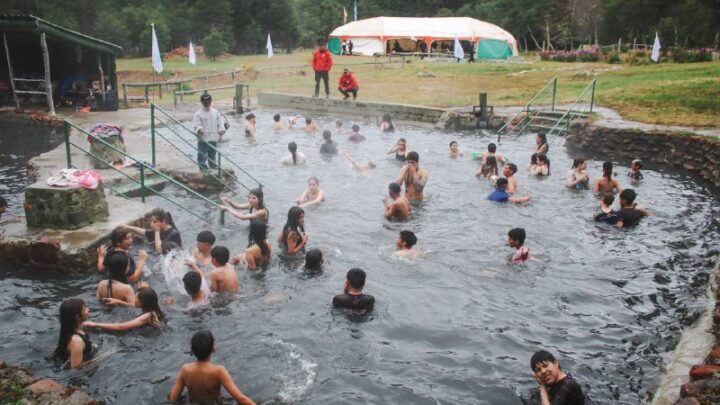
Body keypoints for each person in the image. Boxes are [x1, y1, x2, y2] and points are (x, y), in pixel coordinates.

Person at [169, 330, 256, 404]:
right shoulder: (218, 371)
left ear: (192, 349)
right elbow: (241, 399)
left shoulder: (185, 370)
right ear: (213, 349)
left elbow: (173, 398)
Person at [85, 287, 165, 331]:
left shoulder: (147, 316)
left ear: (141, 303)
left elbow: (121, 327)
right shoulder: (153, 308)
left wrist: (96, 324)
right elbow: (134, 306)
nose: (134, 298)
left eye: (136, 297)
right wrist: (119, 301)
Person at [54, 298, 92, 368]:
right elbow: (76, 368)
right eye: (85, 309)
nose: (88, 309)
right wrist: (102, 357)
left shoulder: (77, 328)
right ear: (77, 317)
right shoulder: (76, 341)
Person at [192, 93, 225, 171]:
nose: (207, 104)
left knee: (212, 153)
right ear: (202, 102)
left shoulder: (215, 112)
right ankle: (203, 167)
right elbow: (196, 124)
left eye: (208, 102)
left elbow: (220, 122)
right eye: (205, 102)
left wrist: (221, 129)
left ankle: (213, 165)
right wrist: (200, 129)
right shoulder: (198, 114)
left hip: (213, 137)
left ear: (211, 101)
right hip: (203, 138)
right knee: (202, 154)